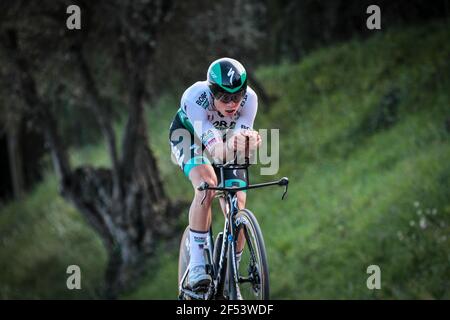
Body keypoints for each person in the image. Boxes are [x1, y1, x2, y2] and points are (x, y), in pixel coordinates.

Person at [169, 57, 261, 292]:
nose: (232, 103)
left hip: (223, 140)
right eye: (223, 97)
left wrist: (249, 142)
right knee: (207, 185)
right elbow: (218, 152)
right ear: (212, 93)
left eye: (236, 96)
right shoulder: (195, 98)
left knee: (237, 202)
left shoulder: (250, 100)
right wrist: (236, 144)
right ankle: (198, 265)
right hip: (189, 136)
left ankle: (232, 271)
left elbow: (239, 143)